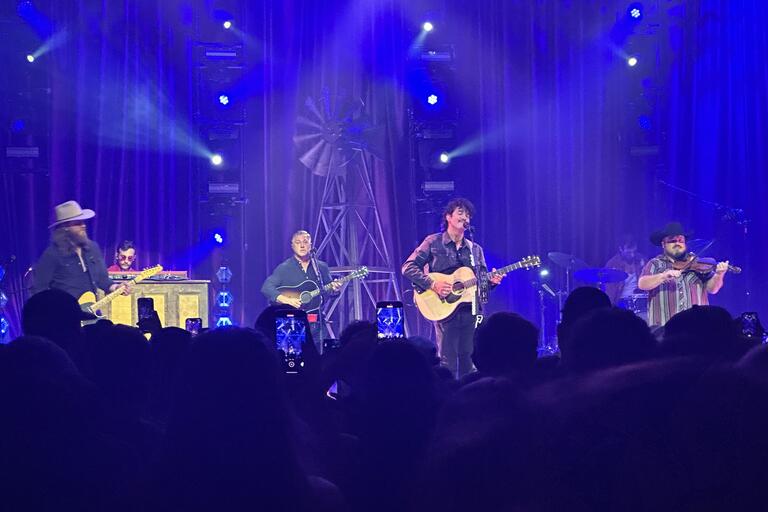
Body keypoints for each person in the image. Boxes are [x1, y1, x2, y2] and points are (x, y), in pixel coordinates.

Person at [402, 198, 503, 378]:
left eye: (468, 215)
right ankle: (448, 398)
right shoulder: (433, 242)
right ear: (448, 216)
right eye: (460, 212)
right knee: (447, 360)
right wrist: (433, 283)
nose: (465, 217)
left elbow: (481, 284)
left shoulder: (475, 249)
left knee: (470, 359)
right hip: (444, 307)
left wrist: (492, 282)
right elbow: (408, 267)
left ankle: (469, 398)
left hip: (470, 308)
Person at [31, 201, 129, 300]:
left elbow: (103, 280)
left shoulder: (92, 248)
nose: (83, 226)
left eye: (83, 222)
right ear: (65, 228)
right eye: (77, 223)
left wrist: (116, 287)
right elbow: (39, 288)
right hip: (65, 311)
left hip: (90, 309)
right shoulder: (52, 254)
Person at [638, 222, 728, 328]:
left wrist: (719, 275)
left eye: (681, 240)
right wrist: (662, 276)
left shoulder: (698, 263)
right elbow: (642, 284)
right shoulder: (655, 263)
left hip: (697, 328)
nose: (677, 243)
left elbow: (713, 289)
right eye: (672, 240)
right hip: (663, 329)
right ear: (663, 244)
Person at [261, 230, 340, 348]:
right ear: (292, 246)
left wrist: (335, 289)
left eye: (305, 242)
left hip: (317, 325)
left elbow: (327, 293)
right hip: (292, 324)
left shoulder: (321, 267)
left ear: (311, 245)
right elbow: (266, 287)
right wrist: (286, 300)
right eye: (298, 242)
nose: (302, 245)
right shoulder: (285, 268)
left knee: (319, 358)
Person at [604, 235, 647, 306]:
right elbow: (609, 291)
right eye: (629, 252)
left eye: (634, 252)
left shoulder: (641, 260)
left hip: (638, 300)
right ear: (621, 249)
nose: (632, 255)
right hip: (621, 301)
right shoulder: (612, 264)